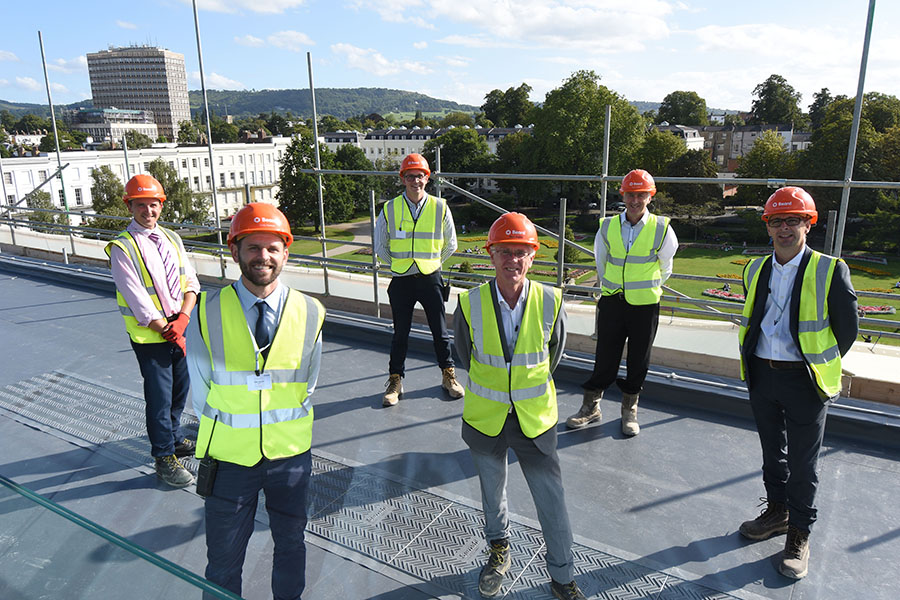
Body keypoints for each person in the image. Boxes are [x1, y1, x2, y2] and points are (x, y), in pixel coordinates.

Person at [186, 203, 325, 599]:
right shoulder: (205, 312)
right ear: (235, 252)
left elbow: (307, 384)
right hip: (230, 460)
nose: (262, 257)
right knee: (224, 559)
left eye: (272, 248)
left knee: (292, 547)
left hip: (290, 457)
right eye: (252, 248)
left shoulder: (311, 312)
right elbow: (201, 391)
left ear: (286, 252)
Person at [454, 213, 585, 600]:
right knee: (492, 496)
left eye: (521, 252)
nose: (513, 260)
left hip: (534, 420)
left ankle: (562, 578)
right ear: (491, 254)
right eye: (505, 252)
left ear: (533, 257)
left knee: (552, 502)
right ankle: (499, 552)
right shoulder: (469, 303)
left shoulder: (550, 301)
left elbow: (553, 354)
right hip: (485, 418)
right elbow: (465, 354)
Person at [737, 186, 857, 580]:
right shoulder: (755, 269)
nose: (785, 228)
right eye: (777, 221)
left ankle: (799, 535)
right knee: (773, 454)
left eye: (793, 220)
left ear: (809, 224)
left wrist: (812, 361)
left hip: (805, 381)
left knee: (804, 465)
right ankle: (777, 512)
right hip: (762, 373)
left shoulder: (828, 268)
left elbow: (847, 330)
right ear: (767, 227)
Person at [566, 169, 678, 436]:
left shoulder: (662, 228)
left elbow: (666, 268)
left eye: (641, 194)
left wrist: (644, 287)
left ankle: (629, 411)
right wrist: (612, 288)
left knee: (639, 359)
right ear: (623, 195)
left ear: (650, 196)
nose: (635, 200)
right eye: (630, 194)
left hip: (644, 304)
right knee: (605, 355)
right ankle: (591, 407)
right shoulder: (607, 226)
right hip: (613, 301)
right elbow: (601, 263)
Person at [106, 174, 198, 488]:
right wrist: (167, 329)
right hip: (151, 335)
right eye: (141, 205)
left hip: (179, 327)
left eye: (154, 204)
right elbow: (136, 297)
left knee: (179, 390)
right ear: (129, 206)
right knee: (159, 398)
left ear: (162, 204)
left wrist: (183, 319)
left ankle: (173, 439)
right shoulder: (123, 247)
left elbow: (190, 281)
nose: (148, 211)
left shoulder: (172, 238)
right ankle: (163, 458)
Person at [374, 152, 463, 406]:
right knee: (400, 333)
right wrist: (400, 266)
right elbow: (380, 246)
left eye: (420, 176)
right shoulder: (390, 208)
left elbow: (451, 244)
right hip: (401, 279)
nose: (416, 181)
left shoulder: (440, 207)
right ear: (403, 179)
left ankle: (449, 376)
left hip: (430, 277)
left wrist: (432, 263)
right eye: (410, 176)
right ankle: (395, 381)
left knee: (440, 331)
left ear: (428, 178)